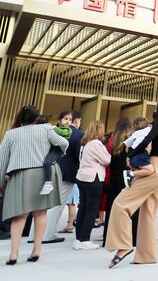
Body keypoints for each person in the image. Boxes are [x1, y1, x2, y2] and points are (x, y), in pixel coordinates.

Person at [105, 101, 158, 268]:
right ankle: (147, 255)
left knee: (121, 204)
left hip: (153, 169)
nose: (155, 110)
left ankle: (123, 245)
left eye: (157, 107)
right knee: (148, 214)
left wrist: (130, 154)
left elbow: (145, 143)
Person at [0, 106, 69, 265]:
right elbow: (64, 142)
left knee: (19, 216)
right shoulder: (46, 129)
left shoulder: (11, 134)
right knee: (40, 213)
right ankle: (36, 251)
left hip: (20, 175)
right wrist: (54, 155)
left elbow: (2, 160)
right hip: (42, 174)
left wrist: (2, 183)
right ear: (37, 118)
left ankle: (13, 255)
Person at [41, 110, 82, 243]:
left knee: (44, 204)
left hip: (49, 169)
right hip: (68, 172)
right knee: (57, 204)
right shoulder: (78, 134)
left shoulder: (52, 131)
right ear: (77, 121)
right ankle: (47, 235)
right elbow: (78, 156)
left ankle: (34, 235)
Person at [74, 121, 110, 250]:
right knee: (92, 209)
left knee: (83, 208)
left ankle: (78, 238)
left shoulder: (85, 143)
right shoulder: (97, 144)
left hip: (82, 176)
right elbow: (107, 160)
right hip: (93, 178)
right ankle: (85, 239)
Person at [102, 118, 133, 247]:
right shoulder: (129, 143)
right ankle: (122, 238)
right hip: (124, 178)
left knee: (111, 209)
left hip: (112, 178)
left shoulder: (111, 141)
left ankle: (107, 239)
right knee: (124, 208)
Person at [123, 117, 155, 184]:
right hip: (141, 155)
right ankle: (130, 174)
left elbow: (127, 144)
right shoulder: (149, 130)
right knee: (151, 170)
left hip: (133, 156)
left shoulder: (135, 133)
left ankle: (132, 177)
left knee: (140, 173)